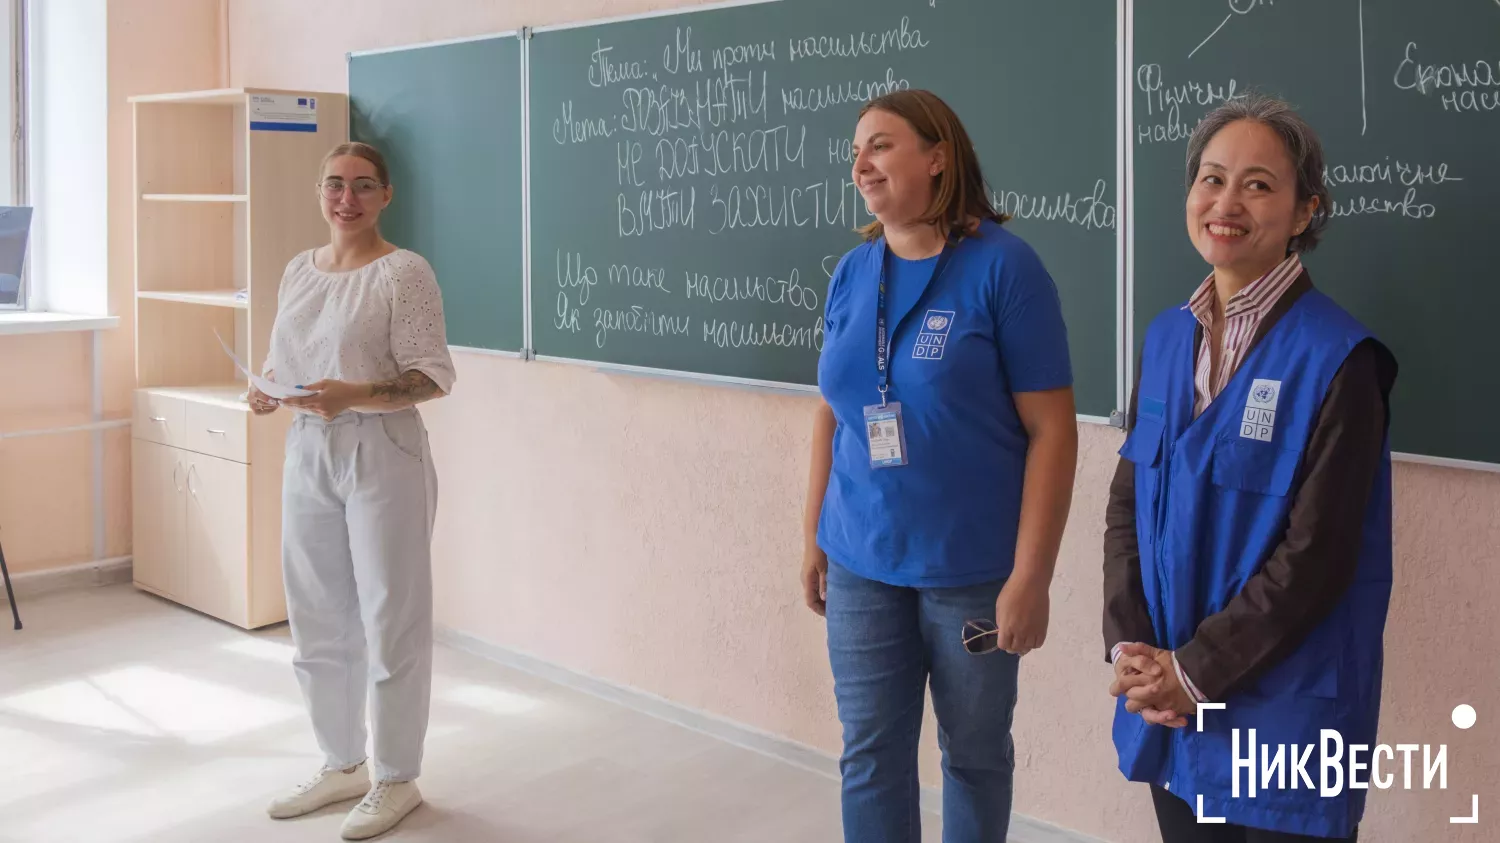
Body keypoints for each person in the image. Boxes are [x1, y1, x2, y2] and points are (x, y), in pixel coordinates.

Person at [1104, 94, 1397, 841]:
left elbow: (1319, 556)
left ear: (1305, 212)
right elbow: (1127, 506)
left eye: (1259, 184)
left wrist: (1192, 672)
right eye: (1211, 178)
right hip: (1173, 708)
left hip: (1285, 715)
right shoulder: (1168, 338)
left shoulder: (1341, 360)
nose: (1226, 202)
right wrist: (1133, 651)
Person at [802, 89, 1079, 842]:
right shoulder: (854, 273)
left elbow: (1053, 430)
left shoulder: (1006, 269)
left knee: (975, 755)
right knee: (869, 755)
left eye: (881, 145)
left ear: (937, 157)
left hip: (974, 575)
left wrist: (1033, 577)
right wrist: (813, 537)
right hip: (861, 559)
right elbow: (834, 409)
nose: (861, 163)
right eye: (855, 150)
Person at [252, 141, 455, 840]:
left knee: (390, 616)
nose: (347, 198)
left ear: (386, 195)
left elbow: (431, 376)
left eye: (363, 186)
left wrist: (355, 394)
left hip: (383, 448)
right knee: (315, 612)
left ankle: (396, 775)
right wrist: (267, 388)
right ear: (320, 191)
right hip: (308, 448)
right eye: (335, 185)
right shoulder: (297, 272)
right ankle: (342, 762)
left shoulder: (404, 272)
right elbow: (290, 360)